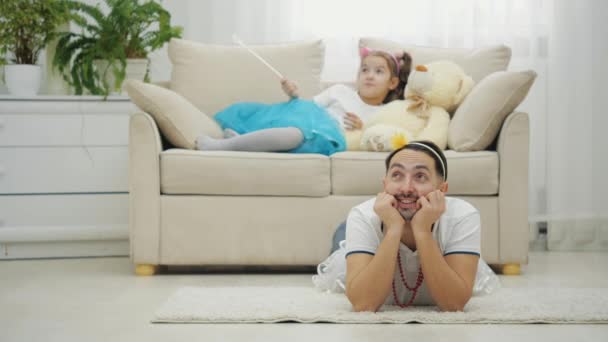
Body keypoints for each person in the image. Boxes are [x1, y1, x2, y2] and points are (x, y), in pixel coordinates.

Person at [314, 140, 487, 312]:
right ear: (385, 184)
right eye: (397, 175)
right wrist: (393, 229)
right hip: (366, 226)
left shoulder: (463, 215)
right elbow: (363, 304)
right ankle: (345, 230)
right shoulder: (363, 215)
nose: (406, 188)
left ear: (442, 189)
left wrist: (422, 230)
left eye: (420, 176)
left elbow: (453, 304)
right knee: (342, 242)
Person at [195, 49, 412, 156]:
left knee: (296, 135)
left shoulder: (384, 112)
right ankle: (243, 140)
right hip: (310, 122)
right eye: (364, 69)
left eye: (378, 71)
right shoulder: (339, 91)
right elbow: (306, 109)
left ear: (393, 82)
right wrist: (293, 95)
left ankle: (223, 147)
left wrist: (361, 128)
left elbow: (379, 137)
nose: (369, 75)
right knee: (292, 128)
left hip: (327, 138)